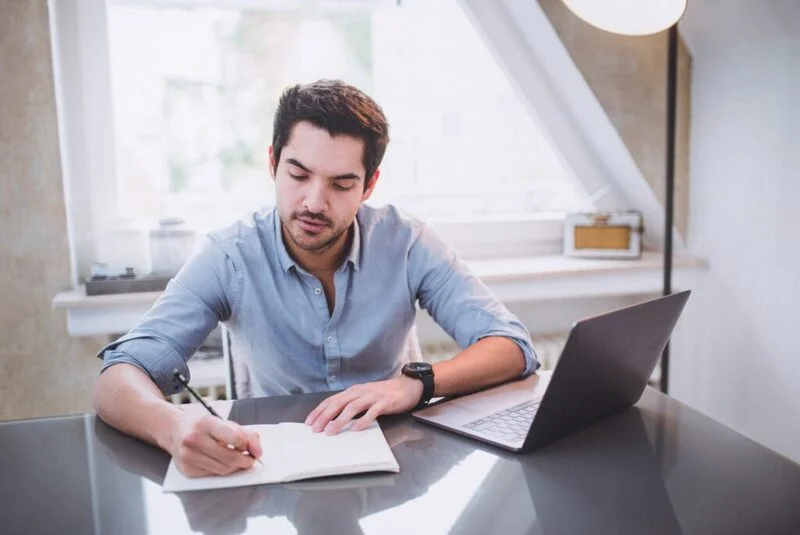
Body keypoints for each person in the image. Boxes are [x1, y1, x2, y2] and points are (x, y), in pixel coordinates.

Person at [93, 79, 538, 478]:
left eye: (341, 185)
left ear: (369, 185)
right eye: (298, 175)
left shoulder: (407, 241)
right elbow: (118, 378)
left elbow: (513, 347)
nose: (313, 202)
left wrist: (414, 384)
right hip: (272, 465)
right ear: (273, 163)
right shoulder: (229, 255)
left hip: (392, 459)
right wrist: (172, 425)